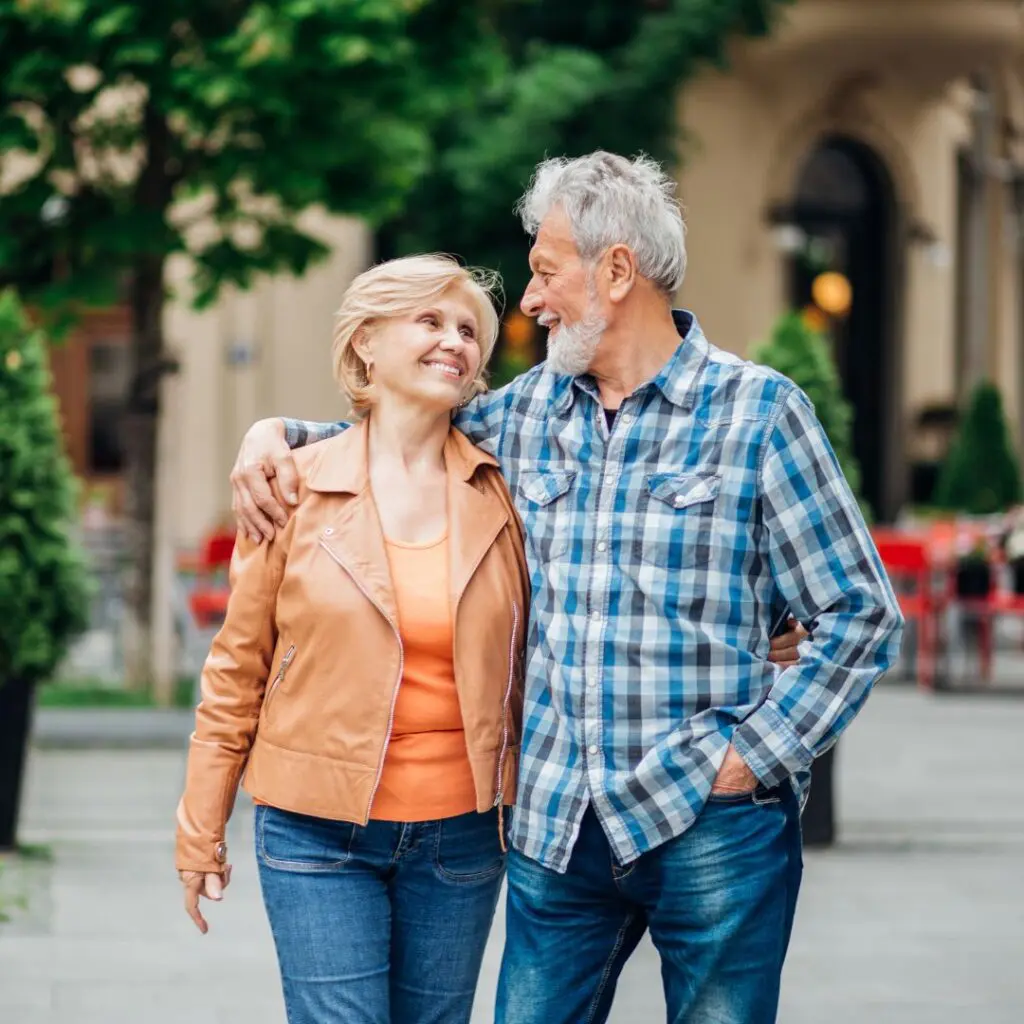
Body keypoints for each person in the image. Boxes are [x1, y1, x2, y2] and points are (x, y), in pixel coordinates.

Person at [231, 152, 903, 1024]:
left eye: (546, 272)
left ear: (617, 271)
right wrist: (271, 435)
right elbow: (387, 434)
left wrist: (754, 758)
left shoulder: (760, 413)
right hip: (556, 828)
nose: (532, 299)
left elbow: (859, 614)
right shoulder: (524, 414)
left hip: (711, 825)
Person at [175, 255, 533, 1024]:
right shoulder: (291, 487)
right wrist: (200, 827)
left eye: (469, 330)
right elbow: (237, 670)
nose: (455, 343)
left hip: (464, 837)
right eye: (429, 321)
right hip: (314, 830)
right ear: (366, 342)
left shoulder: (503, 491)